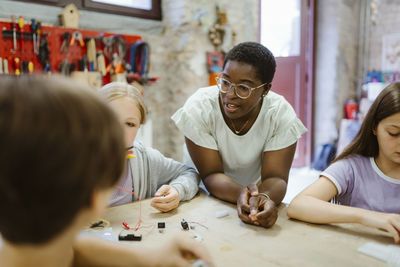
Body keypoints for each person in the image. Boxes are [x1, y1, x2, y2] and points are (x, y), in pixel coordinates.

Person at [0, 76, 213, 267]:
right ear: (93, 199)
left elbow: (71, 249)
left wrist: (150, 259)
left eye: (129, 123)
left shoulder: (33, 245)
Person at [171, 42, 307, 228]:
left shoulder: (280, 115)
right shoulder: (200, 108)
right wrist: (246, 196)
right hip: (199, 195)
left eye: (243, 88)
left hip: (253, 196)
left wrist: (263, 199)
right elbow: (211, 174)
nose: (230, 94)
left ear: (265, 90)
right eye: (225, 82)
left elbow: (276, 178)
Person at [287, 82, 400, 244]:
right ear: (374, 127)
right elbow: (298, 205)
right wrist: (366, 216)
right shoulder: (352, 168)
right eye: (394, 133)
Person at [99, 82, 200, 212]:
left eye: (130, 124)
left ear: (139, 127)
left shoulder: (145, 159)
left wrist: (177, 190)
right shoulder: (72, 160)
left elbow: (190, 173)